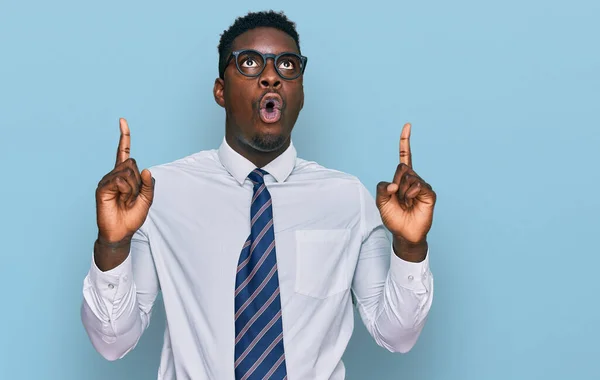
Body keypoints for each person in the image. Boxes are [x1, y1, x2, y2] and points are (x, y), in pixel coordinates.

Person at [81, 10, 436, 380]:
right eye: (250, 63)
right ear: (220, 90)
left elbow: (397, 335)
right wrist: (113, 245)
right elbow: (112, 343)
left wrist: (410, 248)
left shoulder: (348, 199)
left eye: (287, 65)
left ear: (300, 93)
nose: (271, 77)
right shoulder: (159, 194)